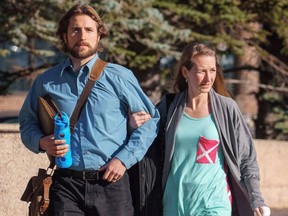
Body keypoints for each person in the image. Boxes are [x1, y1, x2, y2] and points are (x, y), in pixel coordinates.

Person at [18, 2, 159, 216]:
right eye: (75, 29)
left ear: (99, 36)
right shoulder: (46, 81)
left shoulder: (119, 77)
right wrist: (40, 141)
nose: (82, 35)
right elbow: (27, 122)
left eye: (89, 30)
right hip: (65, 185)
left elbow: (151, 121)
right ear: (65, 36)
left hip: (112, 185)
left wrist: (124, 159)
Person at [130, 42, 270, 216]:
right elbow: (145, 142)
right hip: (174, 203)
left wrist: (256, 198)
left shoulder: (227, 109)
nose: (208, 78)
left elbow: (247, 159)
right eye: (201, 71)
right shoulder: (169, 107)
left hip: (214, 203)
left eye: (212, 70)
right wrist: (134, 125)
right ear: (185, 72)